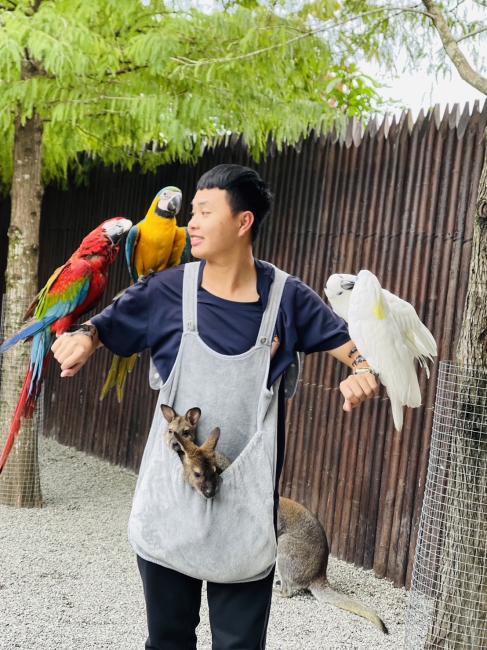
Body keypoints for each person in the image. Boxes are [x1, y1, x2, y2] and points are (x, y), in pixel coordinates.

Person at [51, 164, 379, 650]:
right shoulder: (165, 291)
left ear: (243, 222)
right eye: (192, 213)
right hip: (168, 513)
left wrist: (363, 371)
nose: (193, 224)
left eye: (205, 211)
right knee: (168, 641)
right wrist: (82, 338)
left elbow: (351, 348)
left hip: (246, 515)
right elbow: (102, 325)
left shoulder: (287, 299)